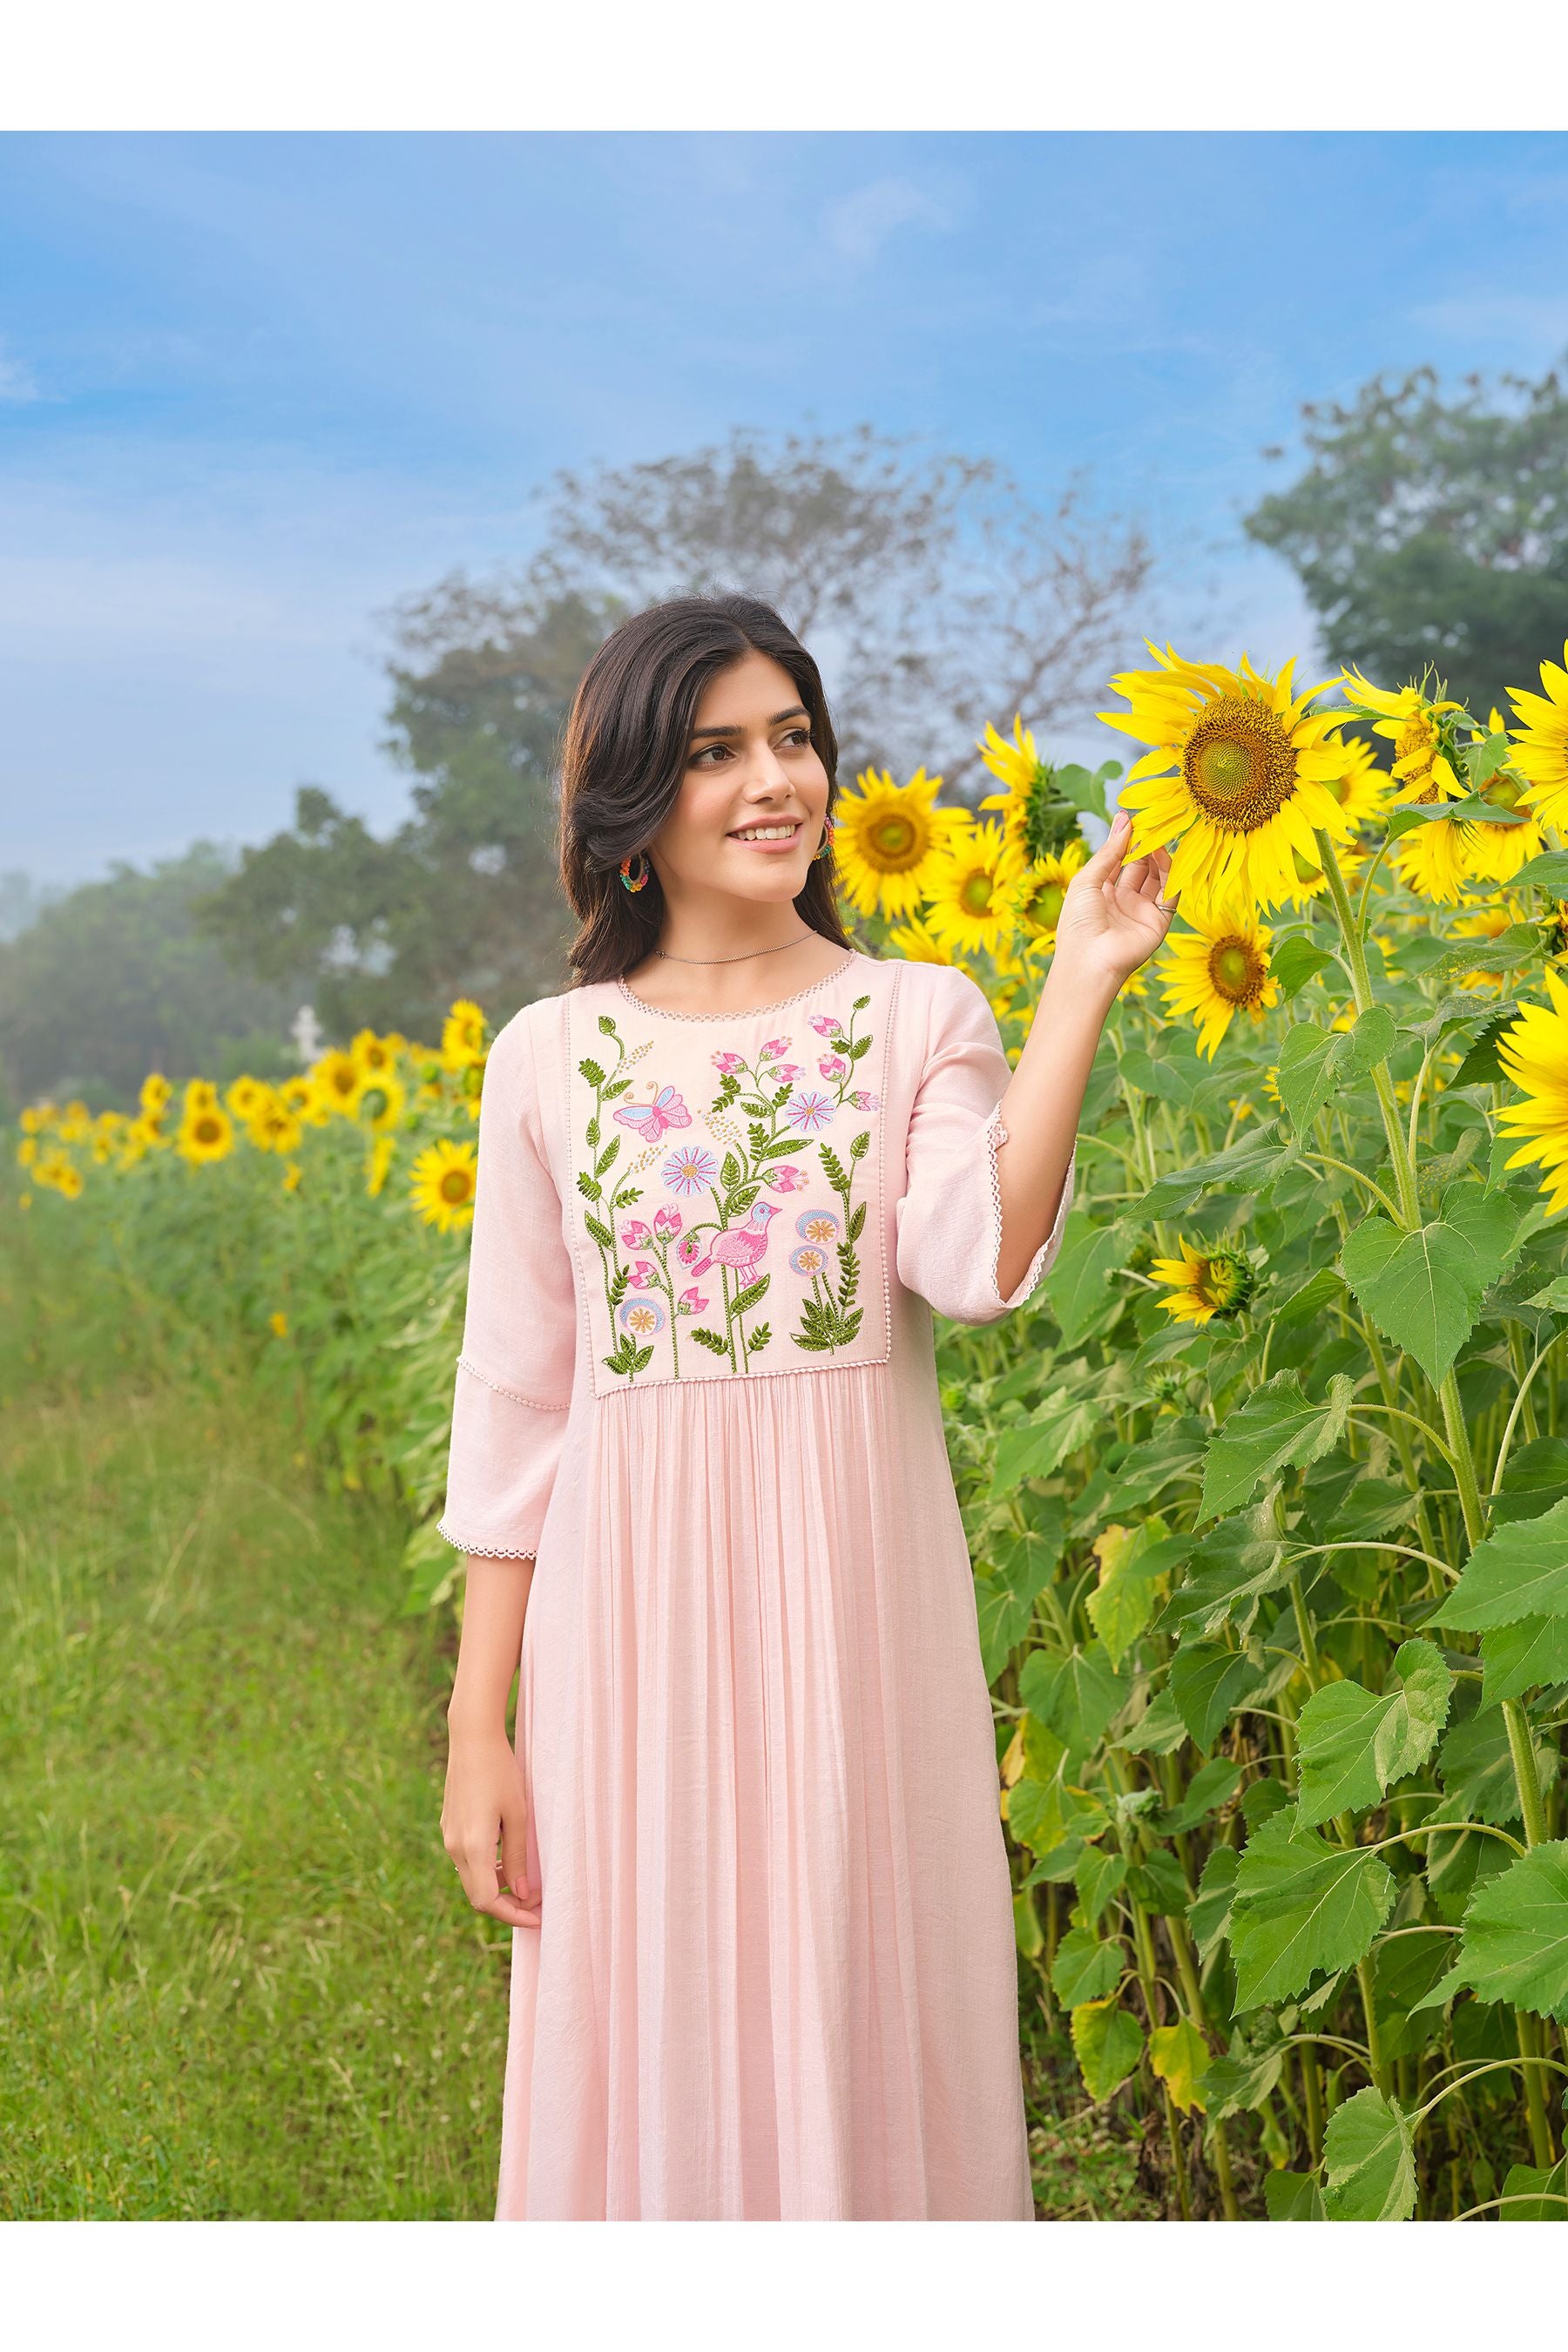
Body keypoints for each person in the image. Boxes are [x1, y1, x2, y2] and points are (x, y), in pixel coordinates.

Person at [437, 593, 1173, 2220]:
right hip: (622, 1637)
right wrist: (478, 1724)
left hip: (855, 1615)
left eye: (793, 738)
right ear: (635, 804)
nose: (776, 780)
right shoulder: (550, 1060)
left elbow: (973, 1255)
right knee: (653, 2012)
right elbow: (517, 1410)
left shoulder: (915, 1014)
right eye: (716, 752)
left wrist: (1080, 982)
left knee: (864, 1993)